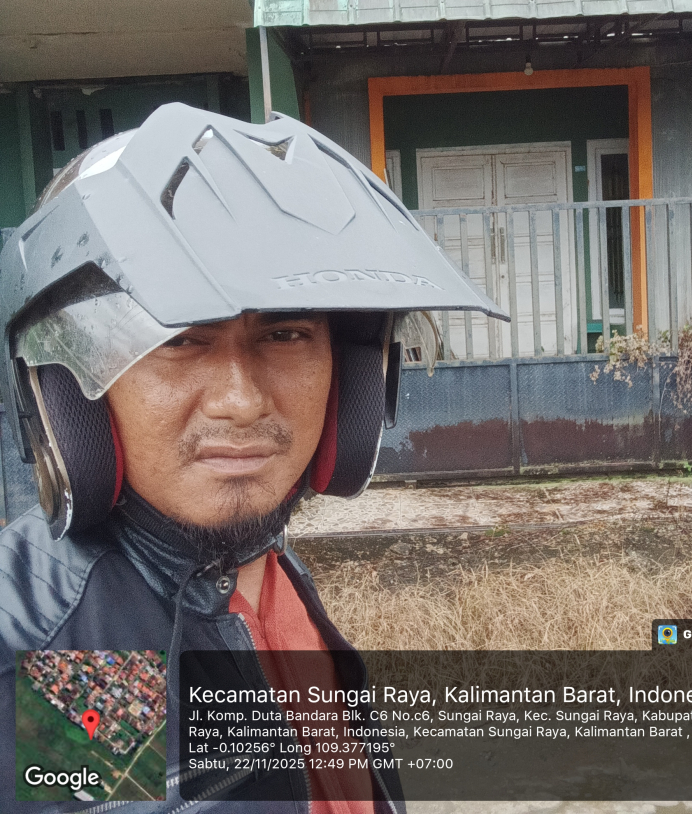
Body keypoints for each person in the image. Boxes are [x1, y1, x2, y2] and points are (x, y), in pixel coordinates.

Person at [0, 102, 502, 813]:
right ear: (69, 388)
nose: (241, 402)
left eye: (285, 334)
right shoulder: (51, 649)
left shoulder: (262, 563)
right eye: (177, 339)